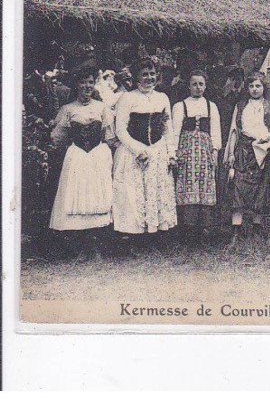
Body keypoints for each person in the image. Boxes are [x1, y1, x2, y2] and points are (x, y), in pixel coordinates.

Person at [48, 60, 115, 257]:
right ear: (76, 85)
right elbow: (58, 137)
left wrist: (106, 154)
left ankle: (97, 244)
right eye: (83, 82)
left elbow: (109, 136)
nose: (87, 86)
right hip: (77, 156)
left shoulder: (102, 107)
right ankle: (80, 245)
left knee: (97, 194)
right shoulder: (68, 109)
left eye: (91, 82)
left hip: (97, 156)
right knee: (77, 195)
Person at [112, 57, 178, 238]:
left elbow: (167, 129)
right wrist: (138, 151)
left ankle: (154, 233)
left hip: (157, 150)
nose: (149, 78)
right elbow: (120, 130)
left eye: (152, 74)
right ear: (137, 77)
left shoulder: (162, 98)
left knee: (156, 190)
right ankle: (133, 234)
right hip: (133, 152)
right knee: (134, 193)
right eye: (145, 74)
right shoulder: (127, 98)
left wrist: (171, 154)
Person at [223, 71, 270, 238]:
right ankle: (236, 229)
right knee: (238, 188)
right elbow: (234, 131)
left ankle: (256, 228)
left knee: (261, 189)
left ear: (264, 88)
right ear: (247, 88)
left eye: (258, 86)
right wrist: (231, 153)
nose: (255, 89)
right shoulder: (241, 106)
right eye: (251, 86)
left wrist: (266, 140)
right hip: (243, 151)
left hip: (263, 151)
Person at [172, 69, 222, 240]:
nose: (198, 87)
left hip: (205, 152)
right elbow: (175, 133)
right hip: (187, 151)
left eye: (201, 84)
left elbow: (216, 132)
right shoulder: (180, 106)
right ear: (189, 86)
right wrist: (175, 153)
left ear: (205, 86)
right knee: (188, 184)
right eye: (194, 84)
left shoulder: (211, 106)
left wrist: (215, 151)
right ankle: (188, 227)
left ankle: (204, 227)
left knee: (205, 184)